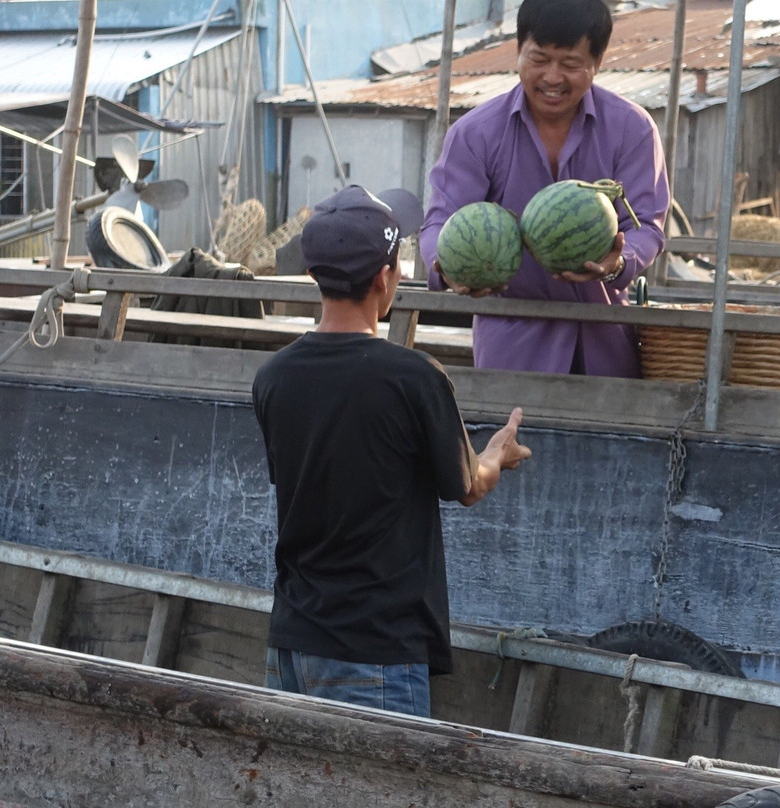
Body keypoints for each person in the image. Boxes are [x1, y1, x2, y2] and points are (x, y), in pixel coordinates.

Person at [251, 185, 532, 718]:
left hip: (291, 641)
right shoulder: (415, 378)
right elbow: (469, 486)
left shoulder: (272, 378)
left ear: (315, 276)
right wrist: (496, 453)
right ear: (385, 277)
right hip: (375, 651)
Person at [419, 0, 670, 377]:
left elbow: (646, 226)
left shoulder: (632, 129)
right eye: (539, 59)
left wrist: (617, 262)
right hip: (511, 346)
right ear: (518, 53)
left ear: (597, 64)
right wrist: (447, 267)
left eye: (570, 64)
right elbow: (441, 222)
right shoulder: (475, 134)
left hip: (606, 343)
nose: (552, 77)